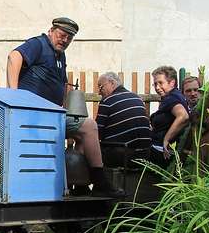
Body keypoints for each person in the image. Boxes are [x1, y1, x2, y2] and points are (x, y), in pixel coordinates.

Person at [7, 17, 123, 197]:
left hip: (52, 117)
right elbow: (14, 56)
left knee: (86, 130)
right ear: (51, 30)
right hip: (32, 117)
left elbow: (61, 85)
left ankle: (84, 183)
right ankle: (97, 182)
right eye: (62, 35)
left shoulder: (60, 55)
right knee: (89, 126)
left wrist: (61, 106)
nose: (65, 40)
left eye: (69, 38)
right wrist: (13, 94)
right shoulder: (39, 44)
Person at [95, 71, 152, 162]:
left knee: (90, 150)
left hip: (122, 155)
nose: (99, 92)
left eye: (101, 87)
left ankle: (97, 176)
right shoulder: (137, 98)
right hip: (145, 154)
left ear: (112, 83)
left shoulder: (107, 101)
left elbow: (97, 133)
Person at [149, 65, 189, 167]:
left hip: (162, 153)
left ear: (172, 82)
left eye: (161, 83)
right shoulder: (172, 97)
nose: (157, 87)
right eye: (155, 84)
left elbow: (183, 116)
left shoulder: (171, 98)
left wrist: (166, 140)